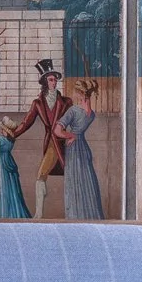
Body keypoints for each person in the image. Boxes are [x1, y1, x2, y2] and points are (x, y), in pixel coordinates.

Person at [6, 59, 68, 219]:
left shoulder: (66, 102)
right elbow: (26, 123)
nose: (54, 82)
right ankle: (39, 212)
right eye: (51, 79)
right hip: (50, 143)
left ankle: (42, 213)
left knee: (49, 174)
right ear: (45, 82)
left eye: (55, 79)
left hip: (64, 144)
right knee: (42, 175)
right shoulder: (38, 103)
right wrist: (12, 134)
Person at [55, 80, 104, 220]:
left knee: (75, 182)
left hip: (74, 149)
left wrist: (70, 135)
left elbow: (57, 130)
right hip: (83, 147)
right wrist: (74, 135)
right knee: (87, 182)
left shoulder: (74, 111)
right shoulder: (91, 114)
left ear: (79, 94)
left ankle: (76, 217)